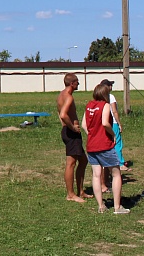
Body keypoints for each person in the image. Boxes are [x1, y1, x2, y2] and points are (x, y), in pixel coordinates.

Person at [85, 83, 129, 214]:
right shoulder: (105, 105)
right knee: (116, 174)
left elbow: (84, 125)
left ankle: (101, 206)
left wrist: (92, 135)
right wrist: (113, 134)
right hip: (104, 144)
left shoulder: (89, 105)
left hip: (91, 145)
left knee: (96, 175)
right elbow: (105, 123)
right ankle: (117, 207)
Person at [57, 73, 88, 202]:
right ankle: (70, 194)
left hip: (69, 132)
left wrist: (65, 126)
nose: (78, 83)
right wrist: (72, 127)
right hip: (71, 133)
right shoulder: (69, 97)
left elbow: (59, 113)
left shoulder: (61, 95)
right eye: (77, 81)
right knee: (71, 163)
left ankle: (81, 191)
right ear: (72, 83)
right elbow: (63, 115)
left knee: (83, 160)